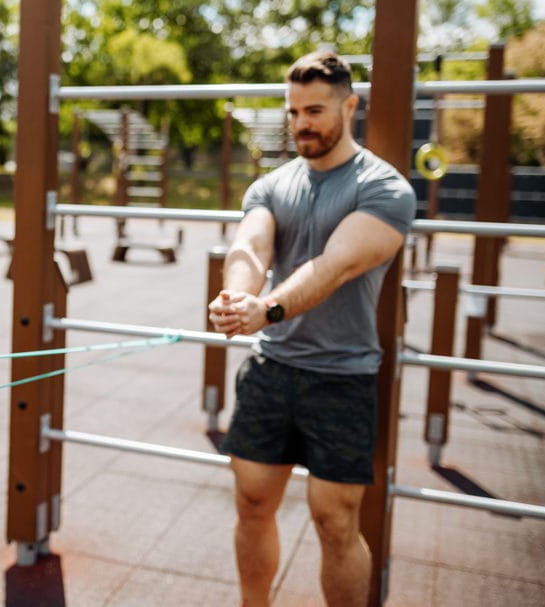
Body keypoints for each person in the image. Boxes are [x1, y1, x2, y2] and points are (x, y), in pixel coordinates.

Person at [208, 50, 416, 607]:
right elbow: (250, 246)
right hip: (272, 369)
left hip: (341, 376)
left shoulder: (386, 189)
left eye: (316, 110)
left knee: (335, 522)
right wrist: (237, 297)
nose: (302, 122)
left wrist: (267, 309)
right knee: (252, 504)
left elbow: (337, 263)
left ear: (350, 106)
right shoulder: (272, 185)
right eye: (295, 110)